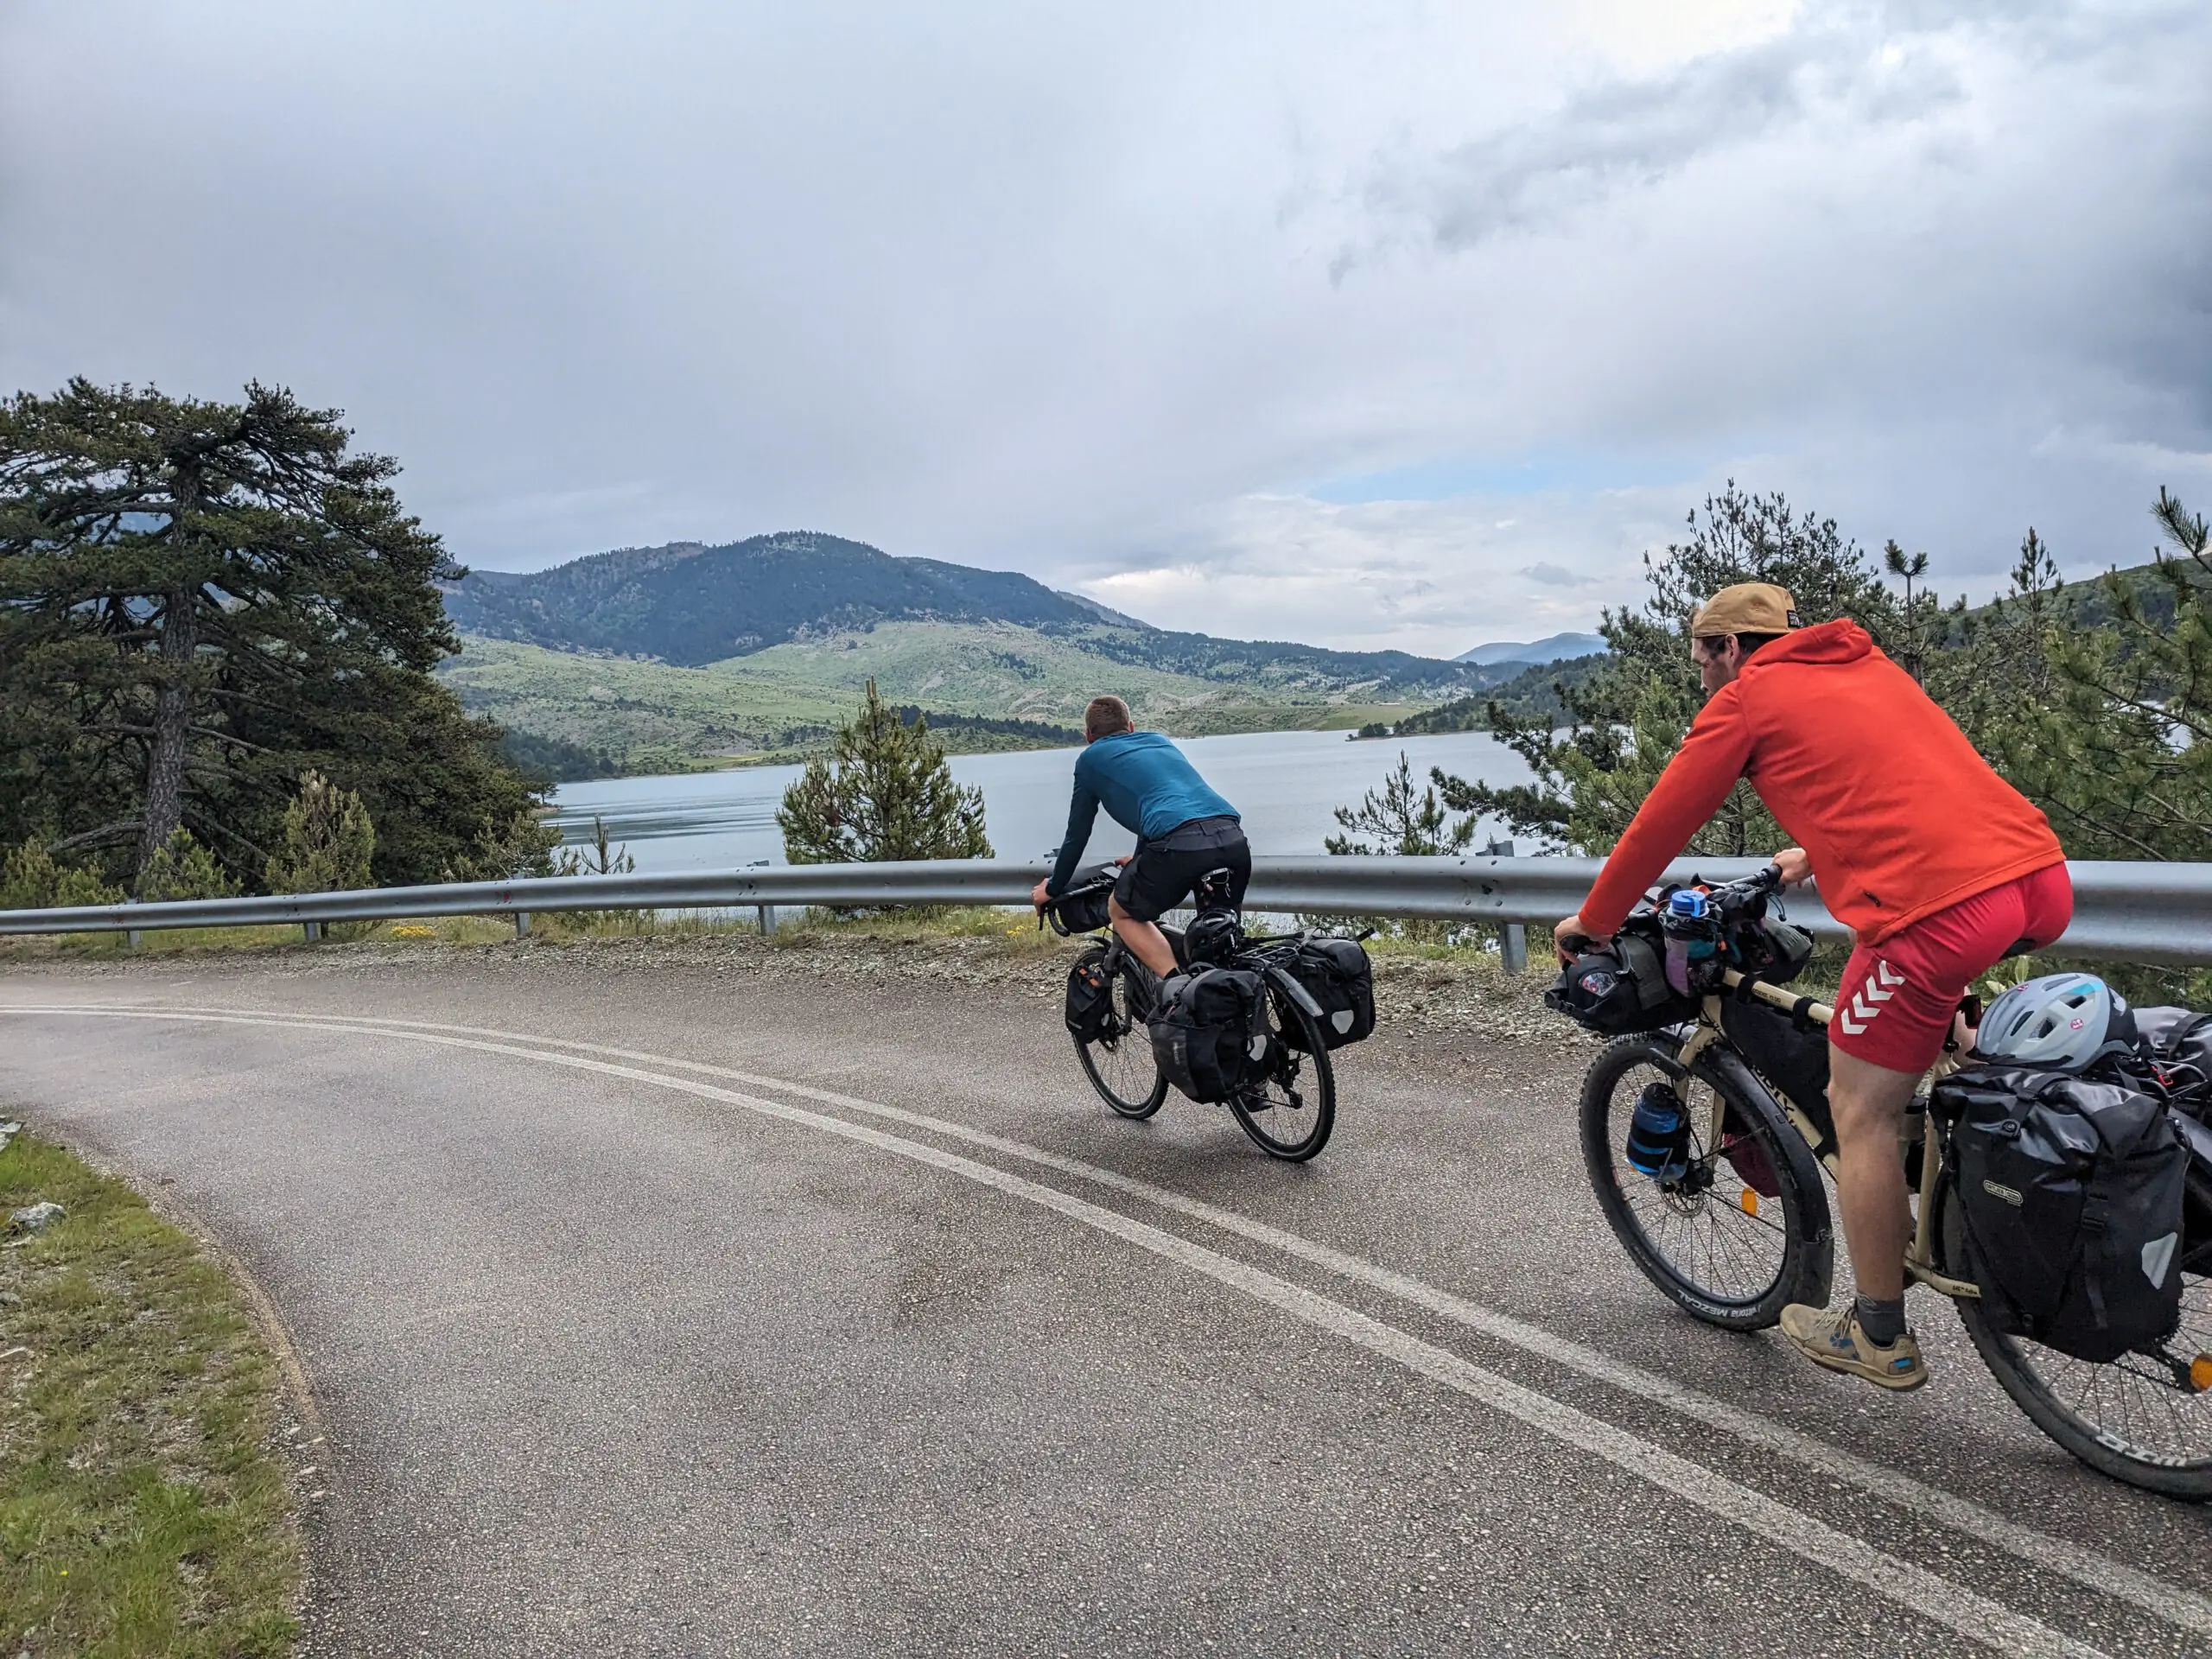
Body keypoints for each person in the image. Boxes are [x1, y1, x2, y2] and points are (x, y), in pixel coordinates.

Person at [1551, 582, 2071, 1391]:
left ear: (1731, 647)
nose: (1701, 679)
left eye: (1702, 659)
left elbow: (1660, 823)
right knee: (1936, 1032)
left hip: (1939, 914)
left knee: (1859, 1105)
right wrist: (1807, 852)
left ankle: (1878, 1333)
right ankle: (1997, 1173)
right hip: (2037, 879)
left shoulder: (1747, 699)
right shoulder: (1868, 667)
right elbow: (1897, 783)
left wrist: (1591, 921)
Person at [1031, 696, 1248, 981]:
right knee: (1221, 939)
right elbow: (1165, 806)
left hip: (1179, 847)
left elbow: (1078, 834)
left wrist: (1054, 887)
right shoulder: (1159, 740)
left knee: (1120, 912)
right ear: (1131, 727)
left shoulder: (1090, 758)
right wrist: (1142, 856)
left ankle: (1177, 991)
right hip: (1232, 838)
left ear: (1089, 735)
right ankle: (1230, 1005)